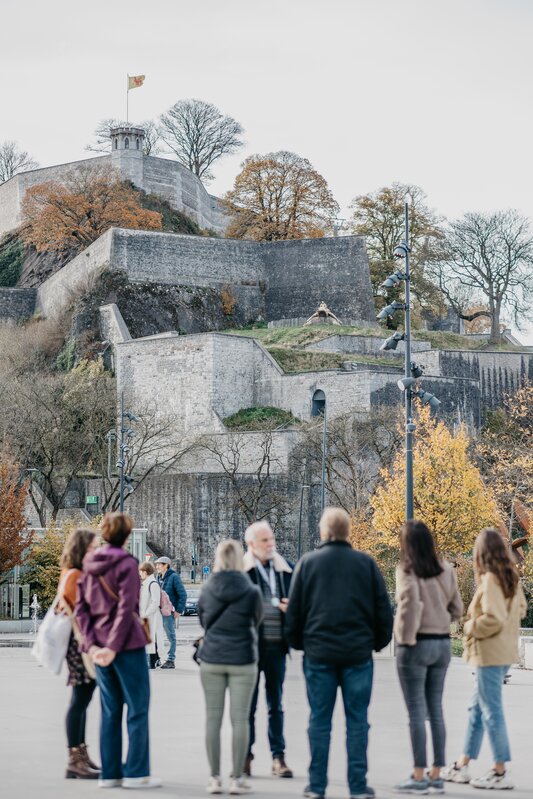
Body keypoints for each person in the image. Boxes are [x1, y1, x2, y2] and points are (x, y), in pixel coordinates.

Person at [285, 507, 393, 799]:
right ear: (347, 532)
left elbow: (293, 613)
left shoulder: (308, 564)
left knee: (319, 721)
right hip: (357, 655)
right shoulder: (366, 564)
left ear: (324, 532)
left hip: (319, 654)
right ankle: (357, 786)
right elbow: (384, 611)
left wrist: (300, 643)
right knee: (357, 721)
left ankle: (316, 785)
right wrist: (377, 643)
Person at [75, 511, 162, 790]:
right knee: (137, 708)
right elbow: (127, 609)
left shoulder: (88, 564)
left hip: (100, 649)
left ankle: (110, 774)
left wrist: (94, 646)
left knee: (109, 710)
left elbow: (81, 610)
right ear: (125, 536)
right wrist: (113, 646)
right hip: (127, 647)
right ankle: (136, 772)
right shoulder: (127, 564)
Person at [441, 527, 527, 790]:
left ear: (482, 552)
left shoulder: (491, 580)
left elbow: (493, 617)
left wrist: (469, 627)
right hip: (503, 654)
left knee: (491, 712)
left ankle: (499, 771)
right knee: (477, 710)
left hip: (489, 654)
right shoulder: (511, 577)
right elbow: (521, 609)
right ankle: (462, 765)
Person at [393, 520, 464, 794]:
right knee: (436, 709)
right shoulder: (445, 569)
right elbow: (457, 608)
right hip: (442, 644)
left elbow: (409, 603)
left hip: (416, 645)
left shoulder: (407, 570)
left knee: (415, 712)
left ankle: (418, 774)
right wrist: (442, 618)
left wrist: (405, 637)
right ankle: (436, 773)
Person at [198, 539, 263, 795]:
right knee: (240, 720)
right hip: (242, 658)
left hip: (212, 658)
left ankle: (214, 778)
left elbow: (204, 622)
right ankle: (237, 777)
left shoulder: (206, 589)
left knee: (212, 718)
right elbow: (256, 621)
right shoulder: (251, 591)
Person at [243, 520, 294, 779]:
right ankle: (245, 756)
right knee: (248, 707)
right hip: (250, 650)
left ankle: (278, 757)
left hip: (277, 648)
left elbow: (300, 603)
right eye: (265, 540)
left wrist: (291, 608)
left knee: (276, 705)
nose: (271, 544)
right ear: (251, 544)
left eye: (271, 539)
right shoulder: (242, 572)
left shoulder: (285, 570)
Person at [58, 527, 100, 780]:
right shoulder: (74, 574)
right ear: (82, 549)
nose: (96, 551)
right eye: (93, 548)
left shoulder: (75, 572)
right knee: (80, 698)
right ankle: (75, 757)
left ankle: (80, 754)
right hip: (77, 642)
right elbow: (77, 612)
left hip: (78, 641)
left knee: (82, 698)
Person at [154, 555, 187, 669]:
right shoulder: (159, 577)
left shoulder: (174, 577)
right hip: (159, 611)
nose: (157, 566)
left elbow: (182, 595)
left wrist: (178, 610)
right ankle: (159, 658)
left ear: (166, 565)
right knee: (158, 635)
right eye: (156, 564)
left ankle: (171, 659)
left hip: (169, 612)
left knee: (170, 636)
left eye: (159, 564)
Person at [139, 561, 164, 670]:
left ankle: (153, 661)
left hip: (152, 616)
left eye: (141, 571)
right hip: (147, 616)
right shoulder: (146, 583)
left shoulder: (153, 584)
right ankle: (154, 661)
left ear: (145, 572)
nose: (140, 574)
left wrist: (145, 614)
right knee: (150, 638)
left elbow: (155, 602)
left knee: (152, 638)